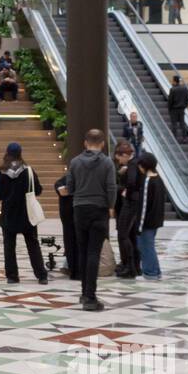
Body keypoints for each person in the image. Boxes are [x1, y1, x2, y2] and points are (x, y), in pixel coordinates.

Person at [64, 129, 117, 312]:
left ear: (85, 143)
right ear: (102, 143)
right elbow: (111, 187)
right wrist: (111, 206)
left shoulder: (75, 162)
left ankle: (84, 292)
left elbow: (70, 187)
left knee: (83, 251)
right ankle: (90, 296)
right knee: (94, 252)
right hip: (99, 209)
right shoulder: (107, 162)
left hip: (80, 209)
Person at [0, 142, 49, 285]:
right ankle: (41, 275)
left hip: (8, 214)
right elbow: (38, 190)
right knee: (33, 244)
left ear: (7, 153)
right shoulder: (28, 171)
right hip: (27, 215)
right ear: (20, 153)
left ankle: (12, 276)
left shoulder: (0, 172)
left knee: (9, 246)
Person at [134, 152, 166, 281]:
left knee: (145, 247)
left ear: (144, 166)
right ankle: (155, 271)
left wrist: (139, 226)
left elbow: (144, 205)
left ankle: (150, 273)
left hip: (147, 222)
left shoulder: (148, 181)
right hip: (155, 220)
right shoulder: (158, 179)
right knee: (149, 246)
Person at [112, 140, 140, 279]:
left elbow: (131, 183)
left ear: (124, 155)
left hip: (130, 204)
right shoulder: (132, 164)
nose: (119, 161)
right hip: (131, 204)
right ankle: (133, 265)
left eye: (119, 158)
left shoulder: (132, 165)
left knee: (124, 235)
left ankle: (129, 267)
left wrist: (120, 189)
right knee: (129, 235)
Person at [54, 176, 76, 280]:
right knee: (70, 241)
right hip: (69, 216)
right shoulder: (64, 180)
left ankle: (75, 269)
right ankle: (71, 268)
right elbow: (61, 190)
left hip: (81, 213)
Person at [167, 75, 188, 143]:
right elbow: (187, 99)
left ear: (174, 81)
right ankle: (184, 138)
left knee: (174, 124)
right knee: (182, 123)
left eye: (172, 81)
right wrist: (185, 106)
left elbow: (170, 100)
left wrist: (169, 109)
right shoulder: (184, 89)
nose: (172, 82)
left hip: (174, 109)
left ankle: (175, 138)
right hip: (182, 109)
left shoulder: (173, 89)